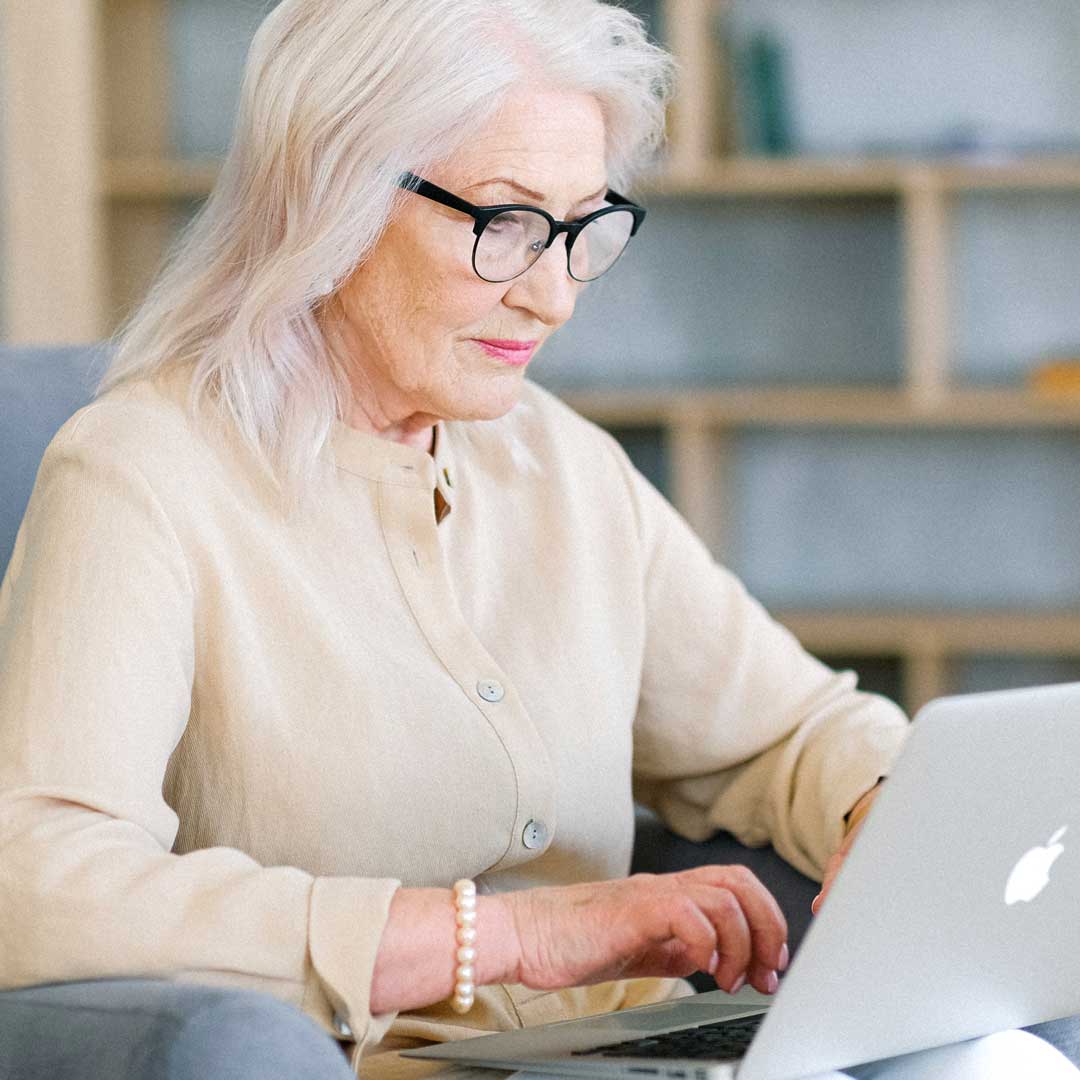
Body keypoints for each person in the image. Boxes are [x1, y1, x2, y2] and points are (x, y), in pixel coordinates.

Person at [0, 2, 1076, 1078]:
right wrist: (508, 937)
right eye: (504, 223)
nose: (552, 293)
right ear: (328, 197)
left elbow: (779, 734)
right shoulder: (144, 472)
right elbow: (37, 886)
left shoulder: (560, 463)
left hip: (631, 1053)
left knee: (996, 1060)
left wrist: (887, 807)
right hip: (377, 1062)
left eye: (581, 227)